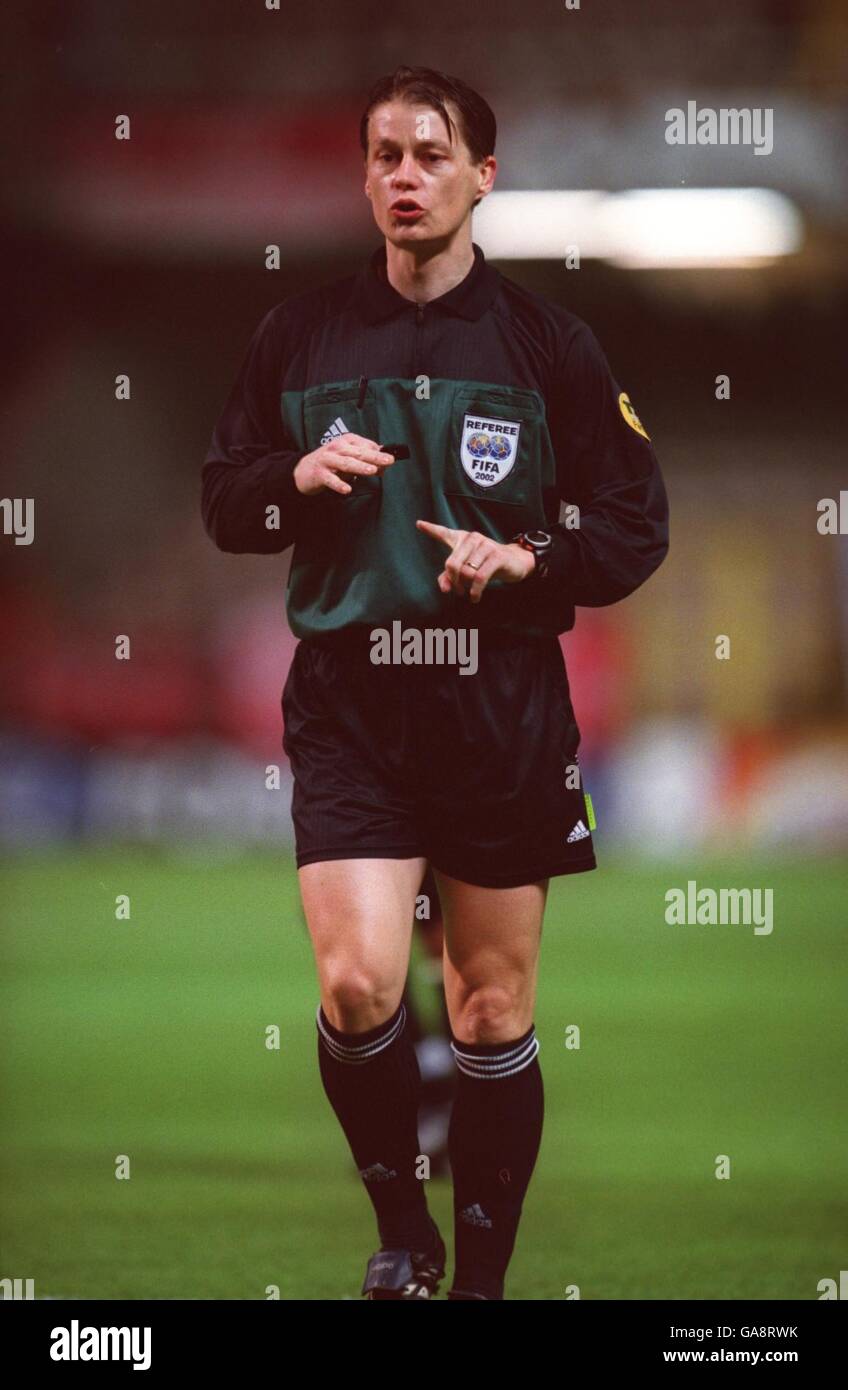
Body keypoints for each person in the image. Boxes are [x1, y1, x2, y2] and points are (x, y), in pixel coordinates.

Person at [201, 65, 669, 1300]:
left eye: (428, 154)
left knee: (487, 1011)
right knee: (357, 982)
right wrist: (288, 479)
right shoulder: (294, 335)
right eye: (383, 156)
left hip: (497, 701)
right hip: (352, 698)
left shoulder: (548, 345)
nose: (403, 176)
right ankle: (403, 1237)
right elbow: (224, 496)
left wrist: (526, 560)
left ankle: (481, 1288)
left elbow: (630, 525)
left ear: (481, 178)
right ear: (364, 178)